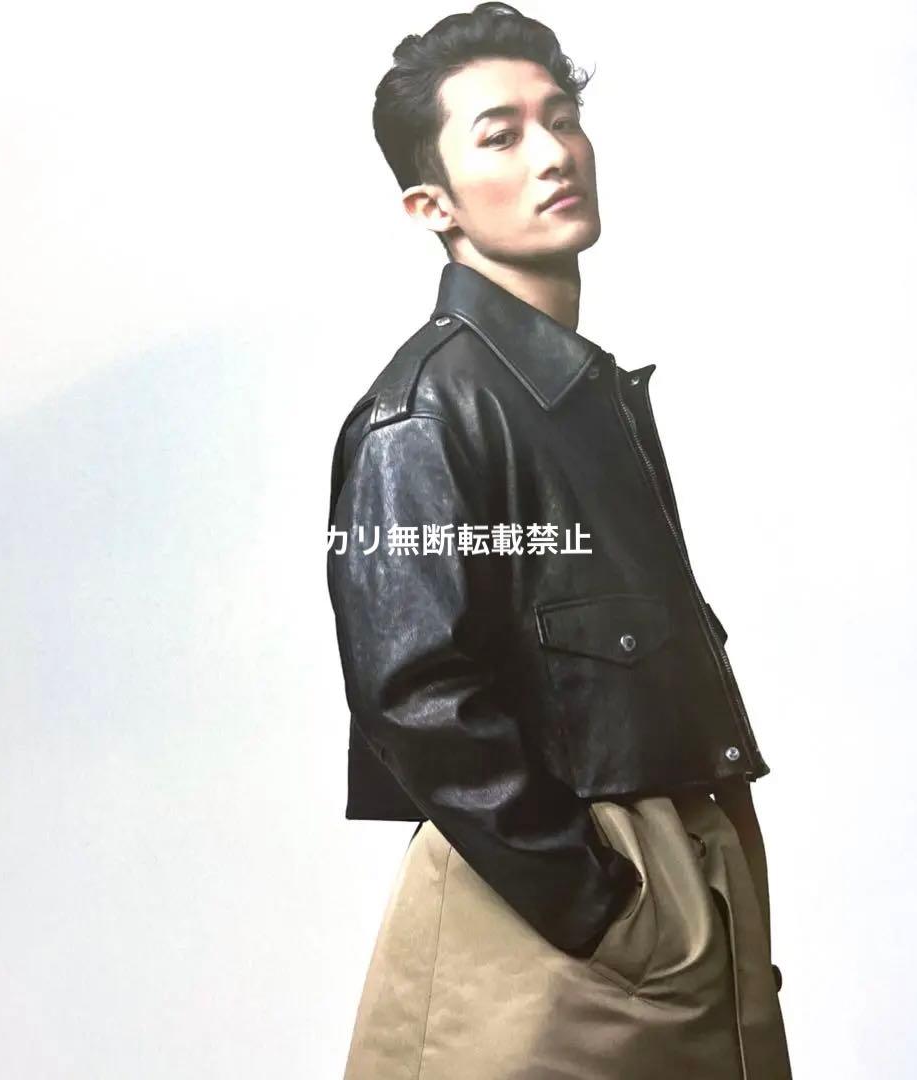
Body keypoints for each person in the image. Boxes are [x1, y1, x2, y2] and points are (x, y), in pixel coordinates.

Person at [325, 5, 793, 1077]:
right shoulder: (425, 412)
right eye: (501, 135)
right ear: (431, 205)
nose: (553, 154)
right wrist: (607, 910)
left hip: (677, 904)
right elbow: (412, 693)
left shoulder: (583, 394)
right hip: (559, 942)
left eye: (563, 118)